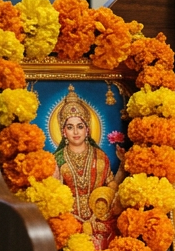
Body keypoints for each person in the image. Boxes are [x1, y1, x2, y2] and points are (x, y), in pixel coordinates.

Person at [50, 85, 124, 225]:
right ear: (63, 132)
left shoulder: (100, 156)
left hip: (99, 219)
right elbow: (54, 193)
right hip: (69, 220)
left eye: (80, 126)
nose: (76, 132)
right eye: (70, 127)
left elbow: (111, 186)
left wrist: (123, 165)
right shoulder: (57, 159)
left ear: (87, 130)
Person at [86, 186, 119, 250]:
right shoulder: (92, 220)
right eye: (98, 208)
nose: (100, 211)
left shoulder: (112, 220)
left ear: (108, 208)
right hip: (94, 245)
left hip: (108, 245)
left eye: (103, 208)